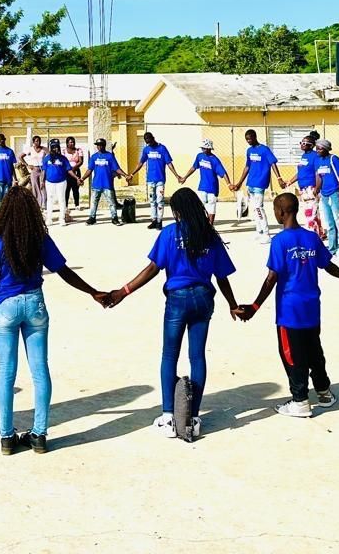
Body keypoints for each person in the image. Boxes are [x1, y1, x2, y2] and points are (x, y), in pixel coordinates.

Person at [0, 186, 103, 454]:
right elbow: (63, 271)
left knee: (6, 372)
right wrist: (93, 292)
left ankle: (6, 437)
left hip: (5, 307)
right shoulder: (40, 239)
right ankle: (39, 434)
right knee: (40, 370)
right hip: (35, 305)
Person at [102, 188, 239, 439]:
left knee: (170, 355)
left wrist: (123, 291)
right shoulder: (209, 236)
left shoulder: (169, 234)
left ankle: (168, 417)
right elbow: (222, 277)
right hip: (203, 299)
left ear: (176, 211)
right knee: (197, 356)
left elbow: (153, 268)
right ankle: (194, 417)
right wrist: (232, 303)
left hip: (177, 300)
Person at [240, 192, 339, 417]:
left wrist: (254, 307)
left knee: (292, 355)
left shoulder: (280, 241)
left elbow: (271, 278)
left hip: (289, 311)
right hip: (311, 307)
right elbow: (328, 265)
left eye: (276, 210)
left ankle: (300, 400)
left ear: (282, 212)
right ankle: (324, 391)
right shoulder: (311, 238)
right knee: (314, 350)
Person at [229, 130, 286, 244]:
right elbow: (247, 167)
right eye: (247, 139)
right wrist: (239, 183)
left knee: (259, 208)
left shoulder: (264, 149)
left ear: (255, 137)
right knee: (254, 208)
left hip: (260, 183)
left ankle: (266, 233)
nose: (249, 141)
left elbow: (273, 163)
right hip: (250, 183)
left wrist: (279, 178)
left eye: (250, 138)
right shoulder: (249, 151)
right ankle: (259, 231)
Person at [128, 132, 180, 230]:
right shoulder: (146, 149)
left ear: (153, 138)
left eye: (150, 141)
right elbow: (140, 163)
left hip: (160, 179)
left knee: (160, 200)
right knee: (152, 201)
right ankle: (154, 220)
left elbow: (169, 163)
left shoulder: (162, 148)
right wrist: (132, 174)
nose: (149, 143)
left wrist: (176, 175)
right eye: (147, 142)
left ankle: (159, 221)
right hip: (150, 180)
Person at [175, 139, 228, 226]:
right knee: (199, 206)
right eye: (202, 148)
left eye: (204, 148)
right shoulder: (199, 156)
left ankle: (210, 226)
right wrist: (185, 177)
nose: (202, 150)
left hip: (213, 188)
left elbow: (223, 172)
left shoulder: (214, 160)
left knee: (211, 207)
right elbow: (194, 167)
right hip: (202, 187)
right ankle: (200, 223)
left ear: (209, 148)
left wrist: (228, 184)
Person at [313, 139, 339, 259]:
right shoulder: (317, 160)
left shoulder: (334, 159)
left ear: (326, 149)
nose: (317, 150)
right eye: (316, 148)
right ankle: (332, 248)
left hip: (335, 193)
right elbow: (318, 176)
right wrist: (316, 189)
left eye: (320, 148)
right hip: (324, 194)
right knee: (330, 222)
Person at [82, 139, 126, 225]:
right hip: (96, 184)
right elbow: (89, 170)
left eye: (101, 145)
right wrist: (82, 178)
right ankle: (92, 218)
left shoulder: (109, 156)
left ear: (104, 145)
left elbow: (117, 168)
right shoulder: (94, 157)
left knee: (111, 202)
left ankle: (114, 218)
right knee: (94, 203)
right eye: (97, 145)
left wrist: (125, 175)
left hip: (107, 184)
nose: (99, 147)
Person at [39, 140, 79, 228]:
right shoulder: (47, 158)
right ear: (51, 148)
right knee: (50, 200)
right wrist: (42, 181)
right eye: (53, 147)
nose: (55, 149)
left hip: (61, 182)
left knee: (62, 199)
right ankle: (49, 219)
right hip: (49, 182)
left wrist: (77, 178)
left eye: (57, 147)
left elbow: (69, 170)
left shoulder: (63, 158)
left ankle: (62, 219)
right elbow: (44, 171)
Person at [291, 134, 321, 235]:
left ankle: (311, 232)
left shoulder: (315, 156)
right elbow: (300, 172)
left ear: (312, 145)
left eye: (305, 143)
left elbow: (318, 172)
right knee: (312, 212)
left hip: (311, 187)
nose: (302, 145)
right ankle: (319, 232)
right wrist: (290, 181)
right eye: (301, 143)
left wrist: (316, 188)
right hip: (303, 188)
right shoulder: (303, 156)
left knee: (310, 212)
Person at [62, 137, 85, 222]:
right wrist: (68, 169)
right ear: (67, 143)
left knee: (76, 188)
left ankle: (77, 204)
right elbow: (63, 161)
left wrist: (74, 168)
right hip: (66, 172)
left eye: (73, 142)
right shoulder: (63, 151)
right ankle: (66, 205)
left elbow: (81, 161)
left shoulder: (78, 150)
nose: (72, 144)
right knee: (66, 189)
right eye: (70, 142)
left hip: (76, 170)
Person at [21, 135, 47, 204]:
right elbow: (20, 157)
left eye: (39, 141)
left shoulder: (44, 149)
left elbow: (50, 155)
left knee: (43, 186)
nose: (38, 142)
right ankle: (37, 204)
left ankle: (44, 204)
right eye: (36, 141)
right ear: (33, 142)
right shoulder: (30, 149)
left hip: (42, 170)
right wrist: (27, 165)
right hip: (34, 170)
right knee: (35, 187)